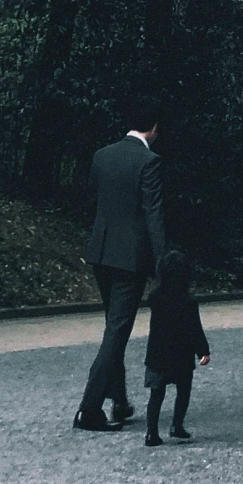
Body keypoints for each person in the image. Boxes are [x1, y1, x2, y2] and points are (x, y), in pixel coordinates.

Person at [74, 95, 168, 433]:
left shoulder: (102, 156)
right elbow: (153, 215)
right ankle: (89, 408)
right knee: (117, 331)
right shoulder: (149, 162)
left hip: (101, 251)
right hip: (131, 258)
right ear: (154, 128)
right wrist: (163, 261)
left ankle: (118, 399)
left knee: (112, 327)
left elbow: (93, 200)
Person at [142, 249, 210, 446]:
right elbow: (195, 329)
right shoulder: (189, 302)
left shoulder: (155, 297)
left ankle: (151, 432)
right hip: (181, 355)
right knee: (183, 391)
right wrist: (203, 350)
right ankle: (177, 425)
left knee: (156, 394)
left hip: (157, 353)